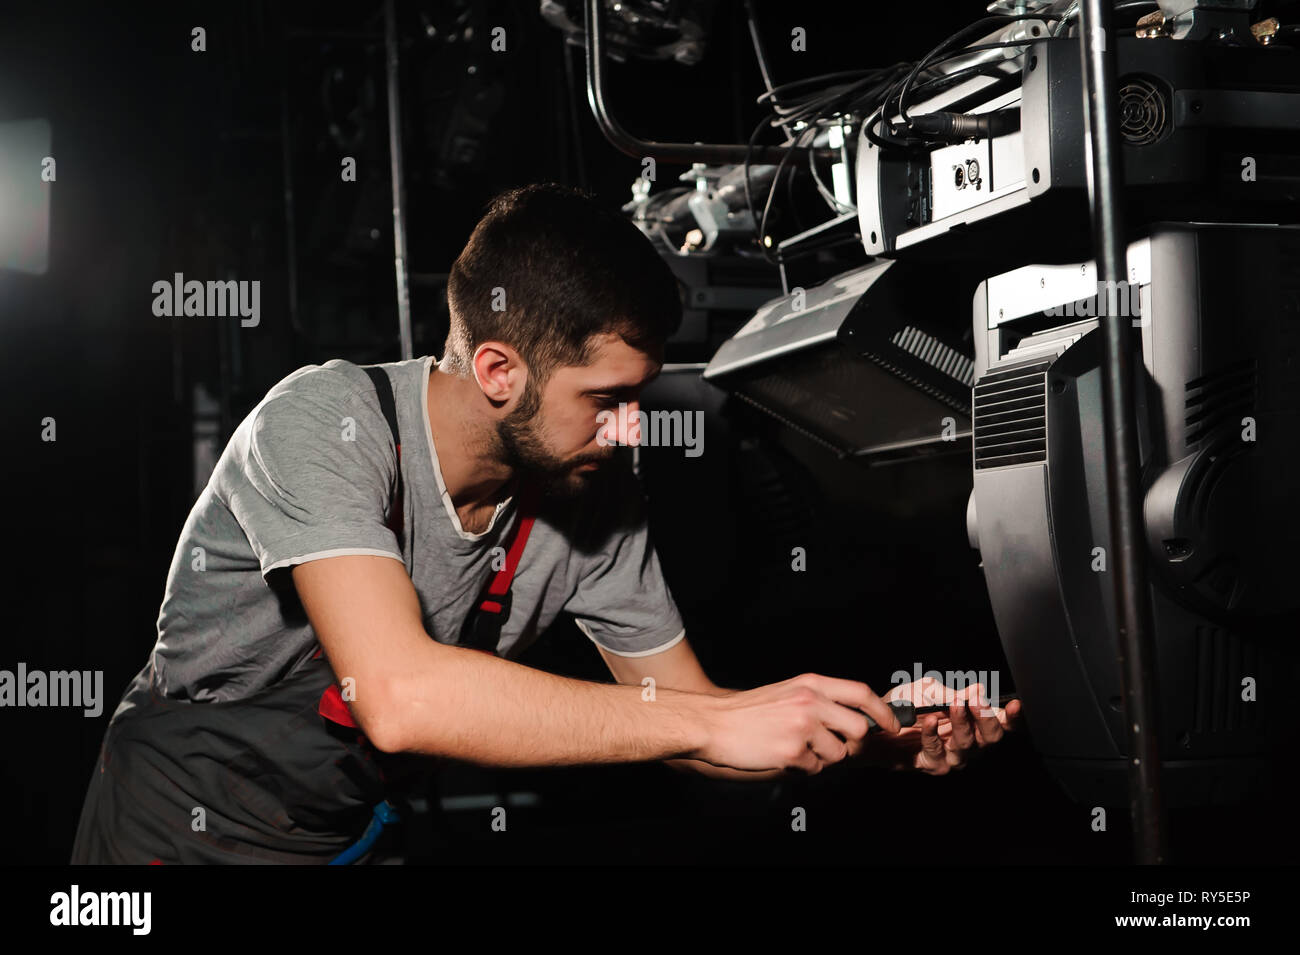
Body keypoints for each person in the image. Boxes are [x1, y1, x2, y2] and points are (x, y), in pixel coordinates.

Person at [71, 182, 1020, 864]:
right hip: (172, 836)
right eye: (606, 397)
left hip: (340, 837)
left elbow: (689, 723)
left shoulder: (596, 497)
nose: (635, 426)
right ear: (497, 371)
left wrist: (863, 730)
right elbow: (399, 700)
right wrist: (728, 722)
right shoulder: (325, 423)